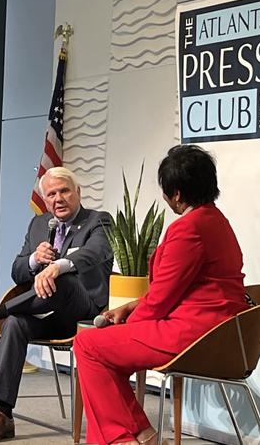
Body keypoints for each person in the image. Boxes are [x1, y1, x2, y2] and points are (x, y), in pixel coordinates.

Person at [73, 145, 249, 445]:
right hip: (218, 330)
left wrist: (126, 325)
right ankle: (141, 435)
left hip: (194, 334)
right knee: (102, 349)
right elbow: (183, 288)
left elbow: (159, 301)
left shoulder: (188, 229)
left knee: (88, 345)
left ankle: (121, 439)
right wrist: (130, 307)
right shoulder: (218, 222)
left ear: (177, 194)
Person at [0, 166, 113, 443]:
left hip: (84, 312)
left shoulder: (98, 221)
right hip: (45, 311)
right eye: (52, 194)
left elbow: (96, 253)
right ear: (45, 200)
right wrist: (34, 259)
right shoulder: (39, 225)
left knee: (63, 279)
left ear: (78, 192)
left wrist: (56, 266)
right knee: (15, 323)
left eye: (65, 191)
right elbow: (18, 271)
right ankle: (3, 414)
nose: (59, 199)